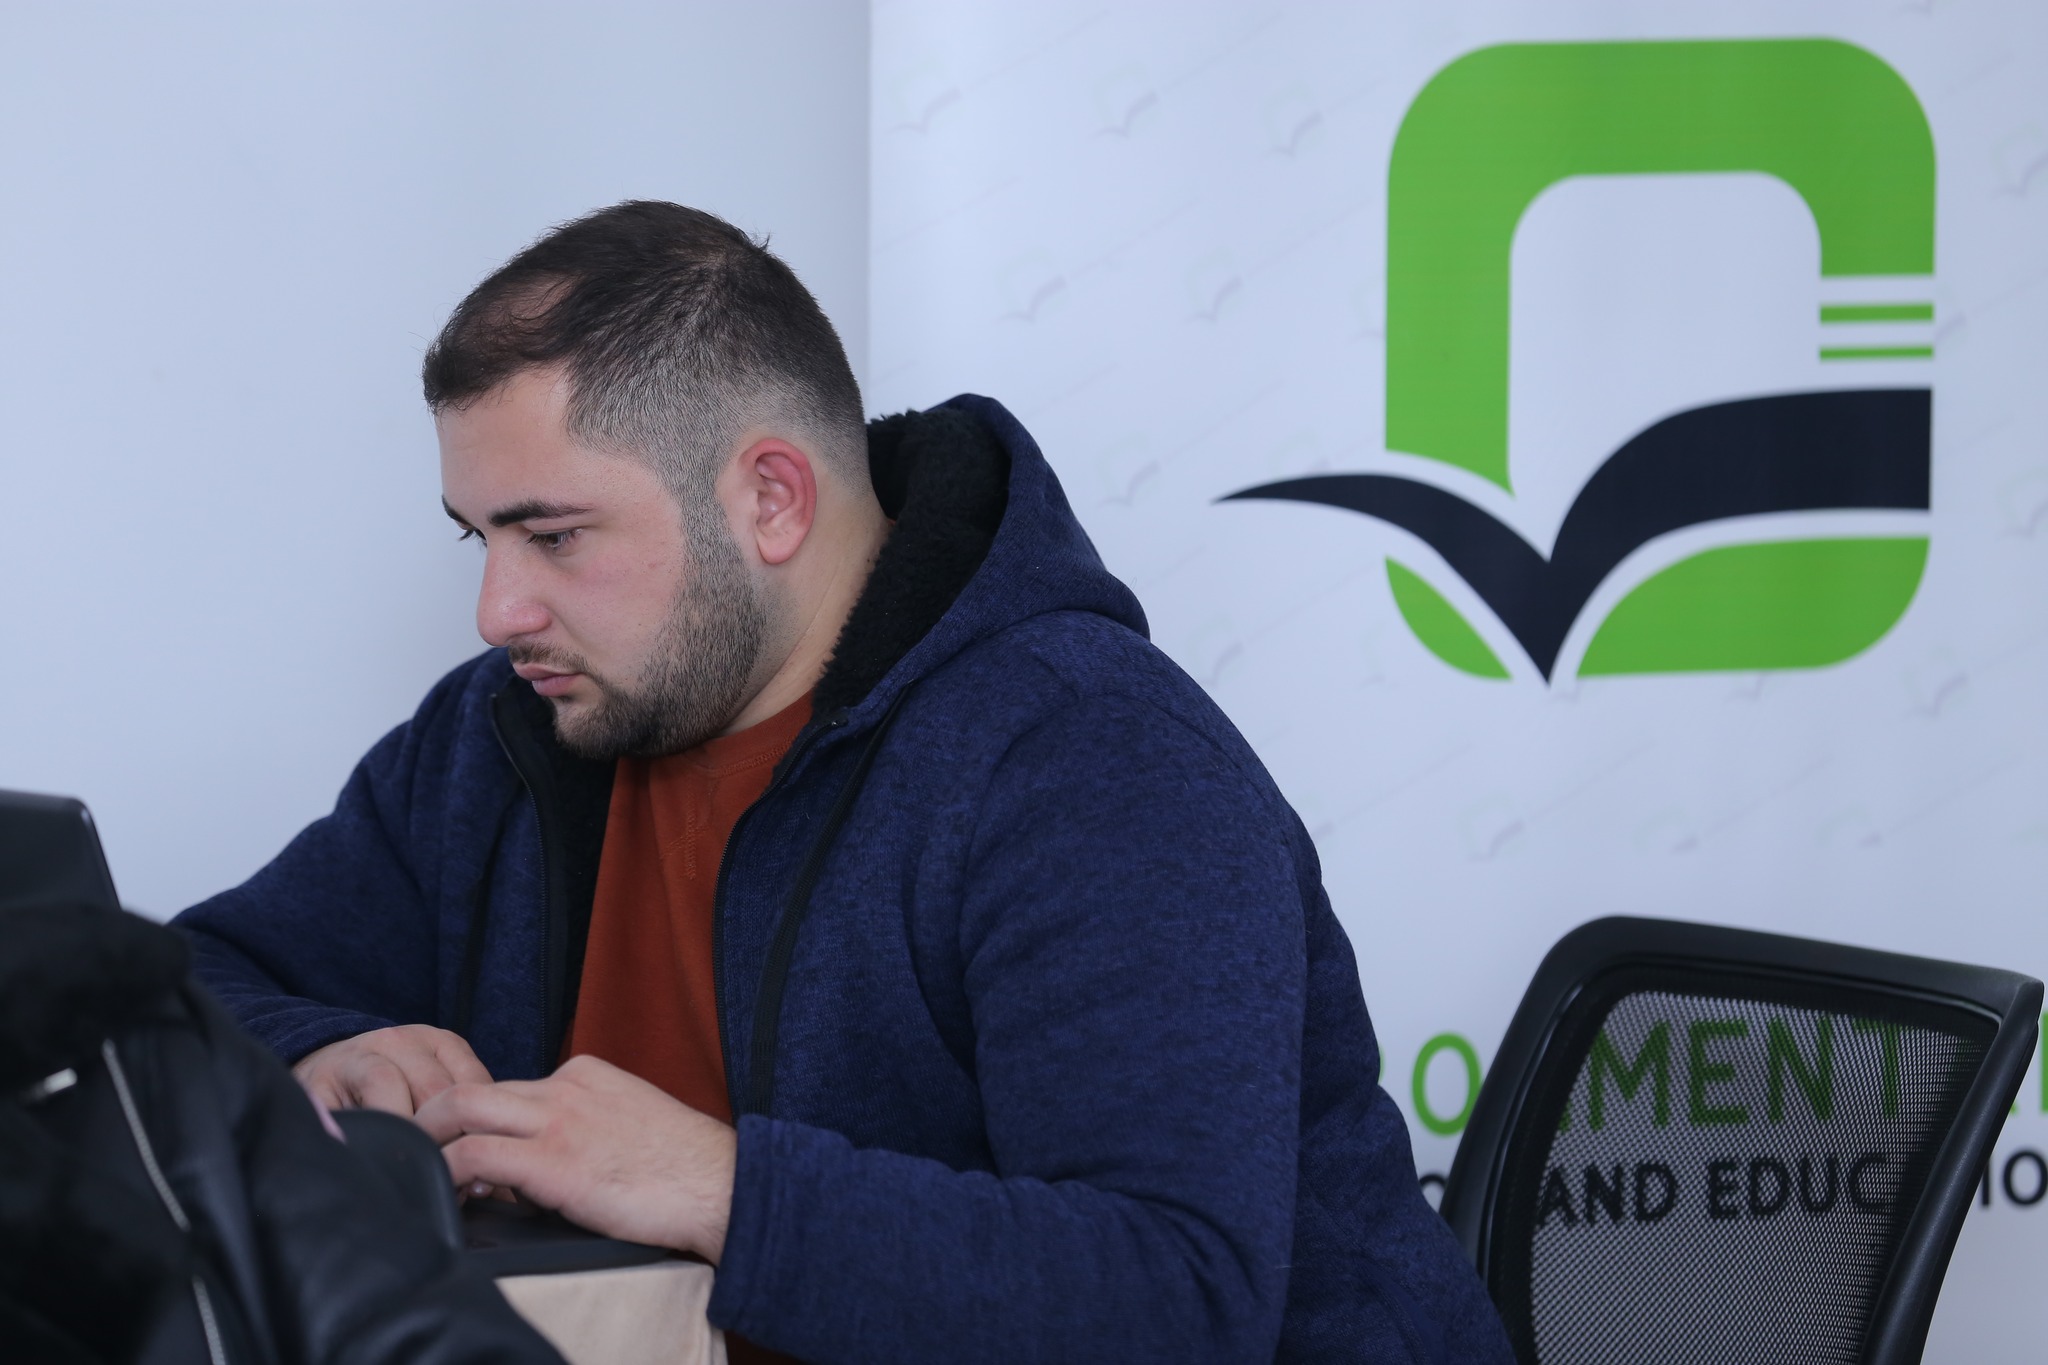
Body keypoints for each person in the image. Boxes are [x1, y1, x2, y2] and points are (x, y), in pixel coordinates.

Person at [175, 201, 1512, 1364]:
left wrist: (718, 1188)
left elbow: (1174, 1302)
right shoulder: (507, 733)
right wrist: (319, 1050)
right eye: (479, 538)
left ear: (770, 499)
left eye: (554, 536)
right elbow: (186, 982)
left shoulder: (1093, 758)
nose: (496, 610)